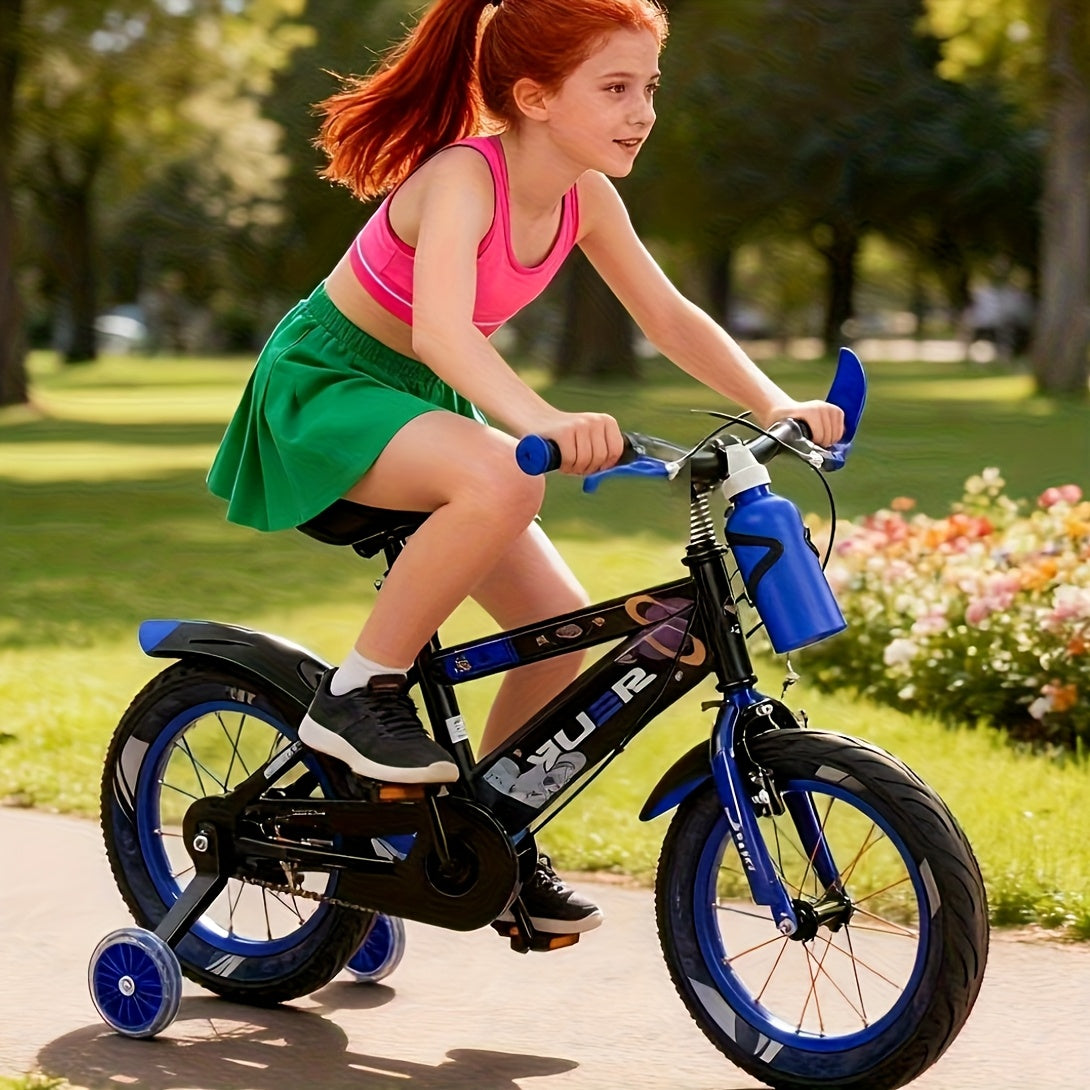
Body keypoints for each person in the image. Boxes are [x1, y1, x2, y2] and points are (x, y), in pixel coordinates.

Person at [207, 0, 844, 935]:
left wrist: (772, 403)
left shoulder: (587, 194)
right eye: (616, 88)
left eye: (650, 88)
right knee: (509, 475)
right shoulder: (467, 177)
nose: (642, 112)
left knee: (561, 634)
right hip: (331, 387)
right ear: (534, 96)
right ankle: (356, 693)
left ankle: (487, 836)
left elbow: (666, 317)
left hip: (422, 402)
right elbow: (441, 331)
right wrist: (542, 419)